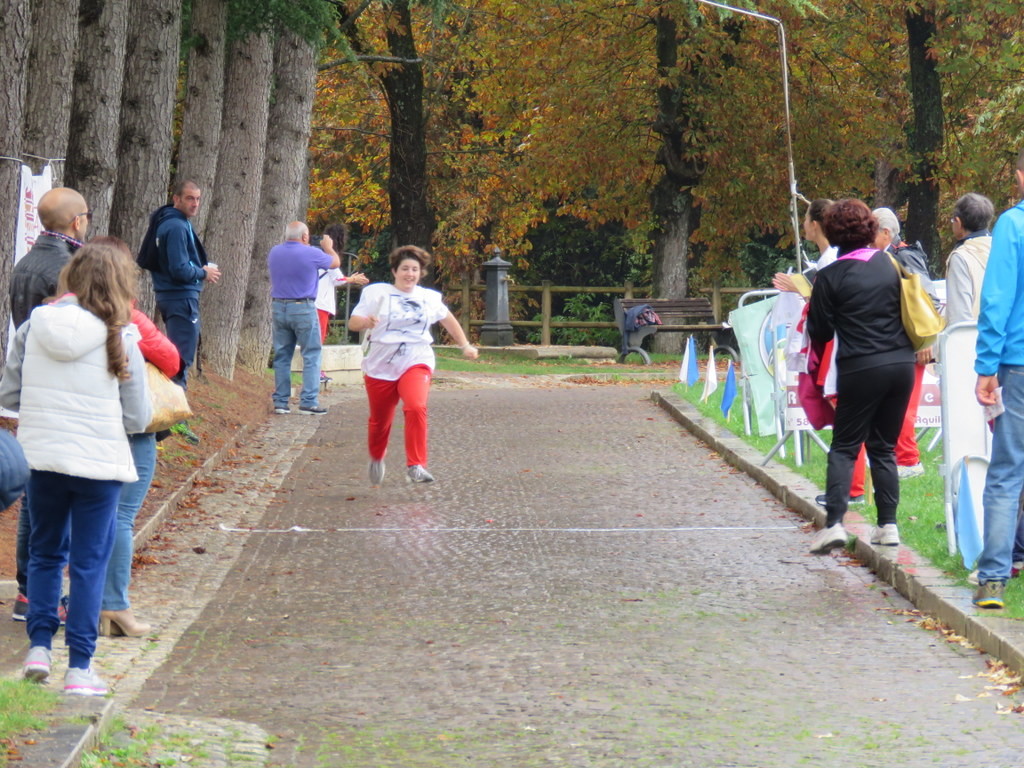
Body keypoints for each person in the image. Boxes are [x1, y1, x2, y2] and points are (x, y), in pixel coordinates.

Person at [0, 243, 151, 695]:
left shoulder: (34, 326)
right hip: (100, 465)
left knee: (46, 553)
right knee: (90, 563)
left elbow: (9, 395)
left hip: (43, 458)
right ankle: (81, 666)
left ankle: (40, 648)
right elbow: (137, 416)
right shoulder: (121, 337)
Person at [806, 199, 916, 554]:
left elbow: (819, 331)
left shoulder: (831, 275)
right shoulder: (889, 263)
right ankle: (888, 525)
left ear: (833, 233)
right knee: (883, 446)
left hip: (861, 365)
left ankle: (835, 523)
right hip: (901, 365)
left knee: (845, 446)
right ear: (870, 229)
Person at [92, 237, 183, 638]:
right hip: (127, 429)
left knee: (86, 519)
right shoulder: (128, 319)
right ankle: (115, 605)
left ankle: (85, 603)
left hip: (81, 430)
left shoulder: (55, 313)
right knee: (121, 517)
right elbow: (170, 358)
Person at [7, 186, 90, 623]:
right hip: (61, 391)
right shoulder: (68, 267)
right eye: (87, 216)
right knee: (63, 498)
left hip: (31, 391)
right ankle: (45, 592)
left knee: (34, 497)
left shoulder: (23, 263)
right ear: (76, 222)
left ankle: (27, 591)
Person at [348, 245, 479, 485]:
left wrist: (465, 345)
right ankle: (377, 457)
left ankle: (416, 465)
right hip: (381, 363)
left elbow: (447, 319)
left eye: (415, 270)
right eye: (405, 269)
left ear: (421, 273)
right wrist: (366, 321)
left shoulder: (428, 297)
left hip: (416, 358)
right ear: (394, 271)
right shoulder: (377, 293)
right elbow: (353, 322)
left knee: (416, 406)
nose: (410, 274)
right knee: (380, 420)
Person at [973, 149, 1024, 609]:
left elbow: (997, 300)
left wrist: (986, 366)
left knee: (1007, 471)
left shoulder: (1012, 224)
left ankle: (993, 579)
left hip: (1018, 363)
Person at [143, 180, 219, 432]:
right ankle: (173, 418)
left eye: (197, 199)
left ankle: (173, 413)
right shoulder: (175, 225)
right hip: (179, 296)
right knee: (181, 357)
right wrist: (202, 272)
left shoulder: (173, 221)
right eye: (189, 198)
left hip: (175, 296)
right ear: (176, 199)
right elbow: (178, 268)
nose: (195, 203)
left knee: (178, 354)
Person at [873, 207, 935, 480]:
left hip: (912, 345)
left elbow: (926, 298)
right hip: (898, 344)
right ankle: (901, 458)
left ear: (886, 233)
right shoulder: (889, 256)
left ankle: (909, 461)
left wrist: (925, 343)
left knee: (905, 408)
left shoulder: (905, 256)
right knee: (894, 406)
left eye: (871, 231)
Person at [268, 222, 340, 415]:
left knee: (282, 355)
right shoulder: (311, 253)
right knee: (312, 353)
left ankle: (281, 401)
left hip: (278, 306)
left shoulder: (275, 251)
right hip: (302, 306)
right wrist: (328, 248)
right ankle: (308, 401)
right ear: (305, 236)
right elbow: (335, 263)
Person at [314, 222, 369, 383]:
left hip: (316, 303)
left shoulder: (317, 255)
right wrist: (354, 279)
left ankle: (316, 370)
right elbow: (338, 279)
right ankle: (317, 372)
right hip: (320, 304)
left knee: (316, 338)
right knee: (318, 338)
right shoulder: (328, 257)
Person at [944, 193, 994, 327]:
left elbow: (959, 317)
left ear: (958, 222)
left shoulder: (961, 257)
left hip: (974, 341)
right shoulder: (1002, 249)